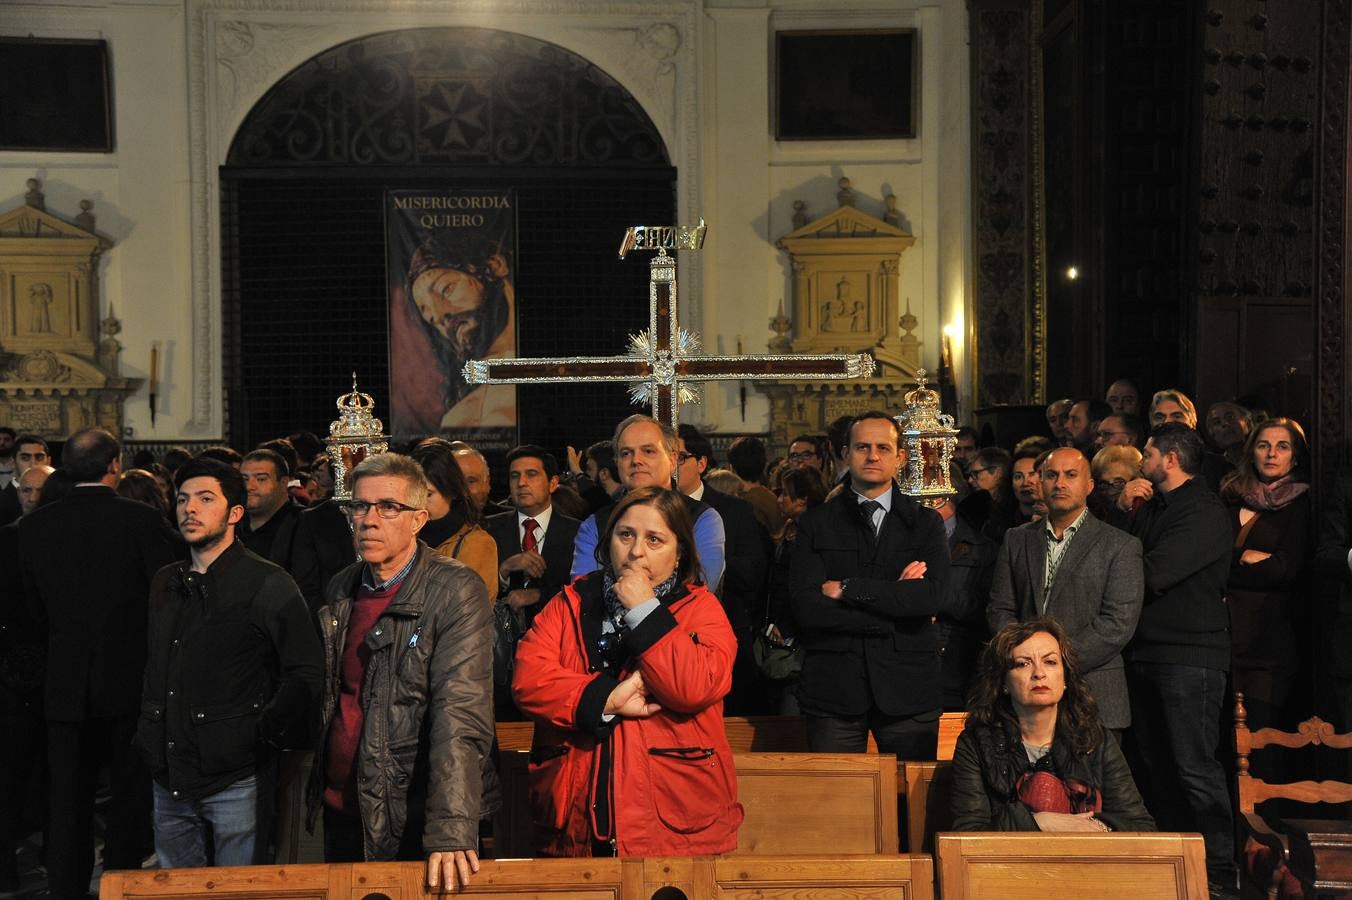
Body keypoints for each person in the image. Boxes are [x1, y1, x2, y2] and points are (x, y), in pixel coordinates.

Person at [513, 486, 743, 856]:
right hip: (575, 820)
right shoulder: (570, 601)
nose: (636, 551)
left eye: (655, 540)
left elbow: (693, 687)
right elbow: (528, 680)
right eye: (626, 535)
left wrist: (645, 611)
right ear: (607, 544)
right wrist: (606, 698)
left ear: (679, 551)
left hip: (674, 825)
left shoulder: (702, 609)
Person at [305, 452, 492, 892]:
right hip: (344, 803)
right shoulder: (342, 586)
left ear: (418, 519)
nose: (369, 520)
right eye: (360, 506)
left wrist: (449, 826)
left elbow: (460, 715)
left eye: (388, 507)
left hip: (413, 809)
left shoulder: (455, 589)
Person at [20, 428, 180, 900]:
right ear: (115, 464)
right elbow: (165, 598)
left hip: (64, 683)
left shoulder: (34, 527)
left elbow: (33, 610)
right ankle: (120, 884)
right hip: (130, 683)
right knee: (130, 797)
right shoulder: (143, 522)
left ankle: (66, 887)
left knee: (67, 799)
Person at [138, 458, 321, 867]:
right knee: (176, 894)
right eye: (183, 499)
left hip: (236, 776)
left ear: (235, 513)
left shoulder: (268, 582)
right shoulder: (165, 581)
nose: (190, 509)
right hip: (169, 770)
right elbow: (156, 664)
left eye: (205, 499)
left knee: (239, 888)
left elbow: (306, 670)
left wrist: (260, 732)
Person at [1113, 423, 1237, 894]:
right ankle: (1171, 867)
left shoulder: (1204, 512)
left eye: (1147, 451)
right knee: (1156, 766)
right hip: (1146, 651)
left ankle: (1221, 877)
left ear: (1169, 458)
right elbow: (1119, 553)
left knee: (1194, 767)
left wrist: (1115, 572)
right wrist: (1127, 509)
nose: (1140, 459)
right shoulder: (1153, 506)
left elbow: (1151, 572)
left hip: (1189, 656)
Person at [788, 411, 951, 758]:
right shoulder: (815, 524)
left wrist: (848, 589)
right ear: (845, 454)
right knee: (835, 806)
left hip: (908, 687)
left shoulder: (925, 525)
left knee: (913, 805)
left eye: (883, 447)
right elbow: (806, 608)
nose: (873, 456)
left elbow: (931, 598)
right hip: (834, 688)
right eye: (862, 447)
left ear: (901, 457)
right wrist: (896, 605)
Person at [987, 448, 1144, 734]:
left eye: (1071, 475)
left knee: (1090, 781)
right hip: (1026, 697)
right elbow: (1000, 608)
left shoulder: (1120, 545)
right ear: (1041, 484)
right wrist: (1027, 661)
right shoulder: (1016, 539)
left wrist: (1052, 663)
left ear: (1089, 485)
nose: (1060, 483)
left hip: (1095, 695)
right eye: (1051, 475)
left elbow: (1117, 625)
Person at [950, 619, 1155, 832]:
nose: (1039, 673)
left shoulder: (1094, 738)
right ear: (1003, 682)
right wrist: (1039, 823)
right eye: (1023, 663)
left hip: (1088, 861)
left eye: (1050, 662)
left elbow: (1140, 826)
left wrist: (1091, 828)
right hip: (1012, 864)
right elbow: (967, 833)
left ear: (1065, 677)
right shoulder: (976, 743)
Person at [1218, 418, 1311, 730]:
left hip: (1269, 641)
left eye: (1281, 446)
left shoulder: (1300, 505)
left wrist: (1232, 567)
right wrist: (1242, 556)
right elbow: (1212, 561)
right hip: (1224, 639)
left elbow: (1285, 570)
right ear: (1251, 453)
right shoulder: (1229, 500)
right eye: (1263, 445)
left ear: (1294, 457)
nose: (1272, 453)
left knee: (1263, 738)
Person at [570, 415, 726, 590]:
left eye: (648, 451)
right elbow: (583, 596)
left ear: (672, 460)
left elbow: (699, 590)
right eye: (626, 453)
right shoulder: (595, 525)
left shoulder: (702, 519)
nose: (636, 460)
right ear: (617, 464)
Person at [409, 437, 499, 602]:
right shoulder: (404, 538)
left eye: (428, 494)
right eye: (414, 494)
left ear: (452, 491)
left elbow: (470, 613)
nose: (419, 503)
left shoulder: (476, 543)